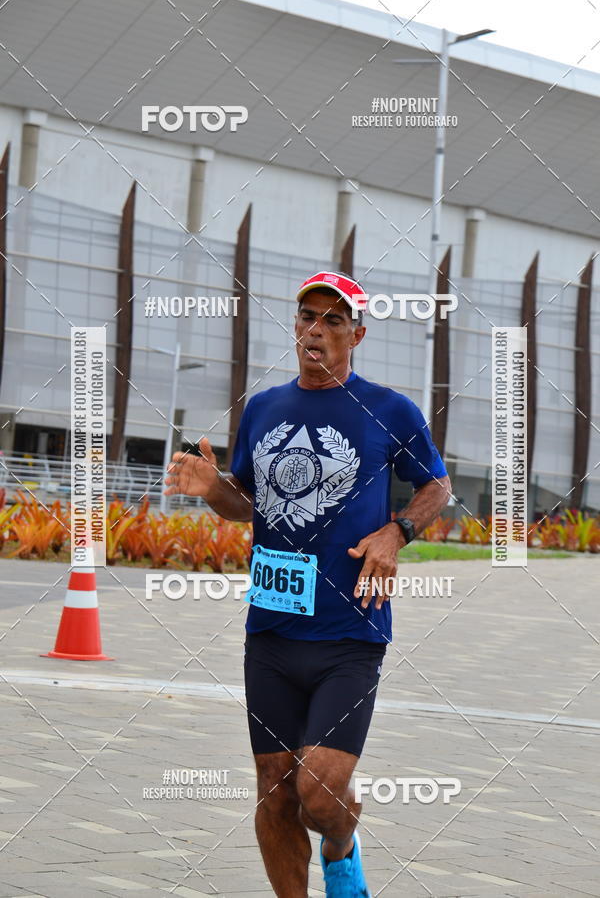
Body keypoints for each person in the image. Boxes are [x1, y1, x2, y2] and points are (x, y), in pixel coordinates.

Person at [165, 271, 451, 897]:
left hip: (350, 631)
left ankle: (342, 850)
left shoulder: (388, 408)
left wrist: (396, 532)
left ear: (357, 333)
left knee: (318, 794)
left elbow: (437, 485)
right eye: (306, 317)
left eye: (332, 320)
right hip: (271, 628)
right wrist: (214, 488)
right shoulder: (265, 407)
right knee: (274, 788)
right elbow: (246, 500)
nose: (315, 329)